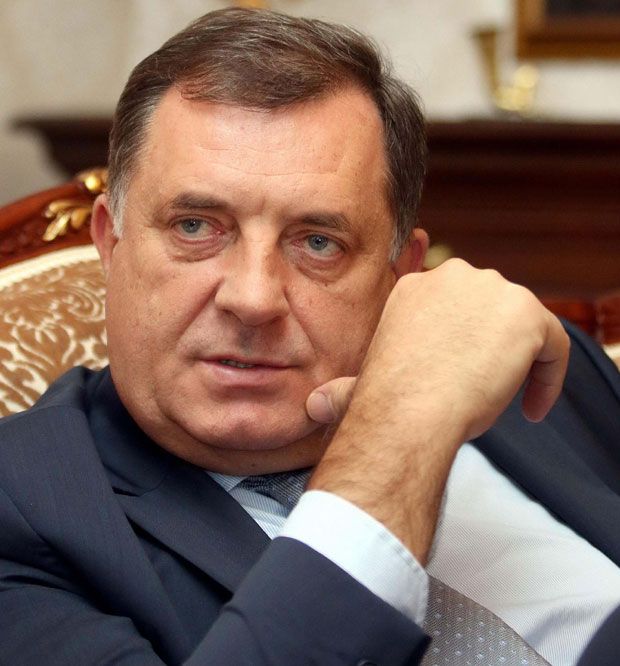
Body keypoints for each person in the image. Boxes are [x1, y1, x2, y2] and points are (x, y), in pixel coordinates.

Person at [0, 8, 619, 666]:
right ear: (111, 241)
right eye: (195, 227)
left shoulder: (527, 371)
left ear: (400, 274)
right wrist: (398, 437)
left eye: (318, 242)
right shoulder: (28, 509)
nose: (253, 299)